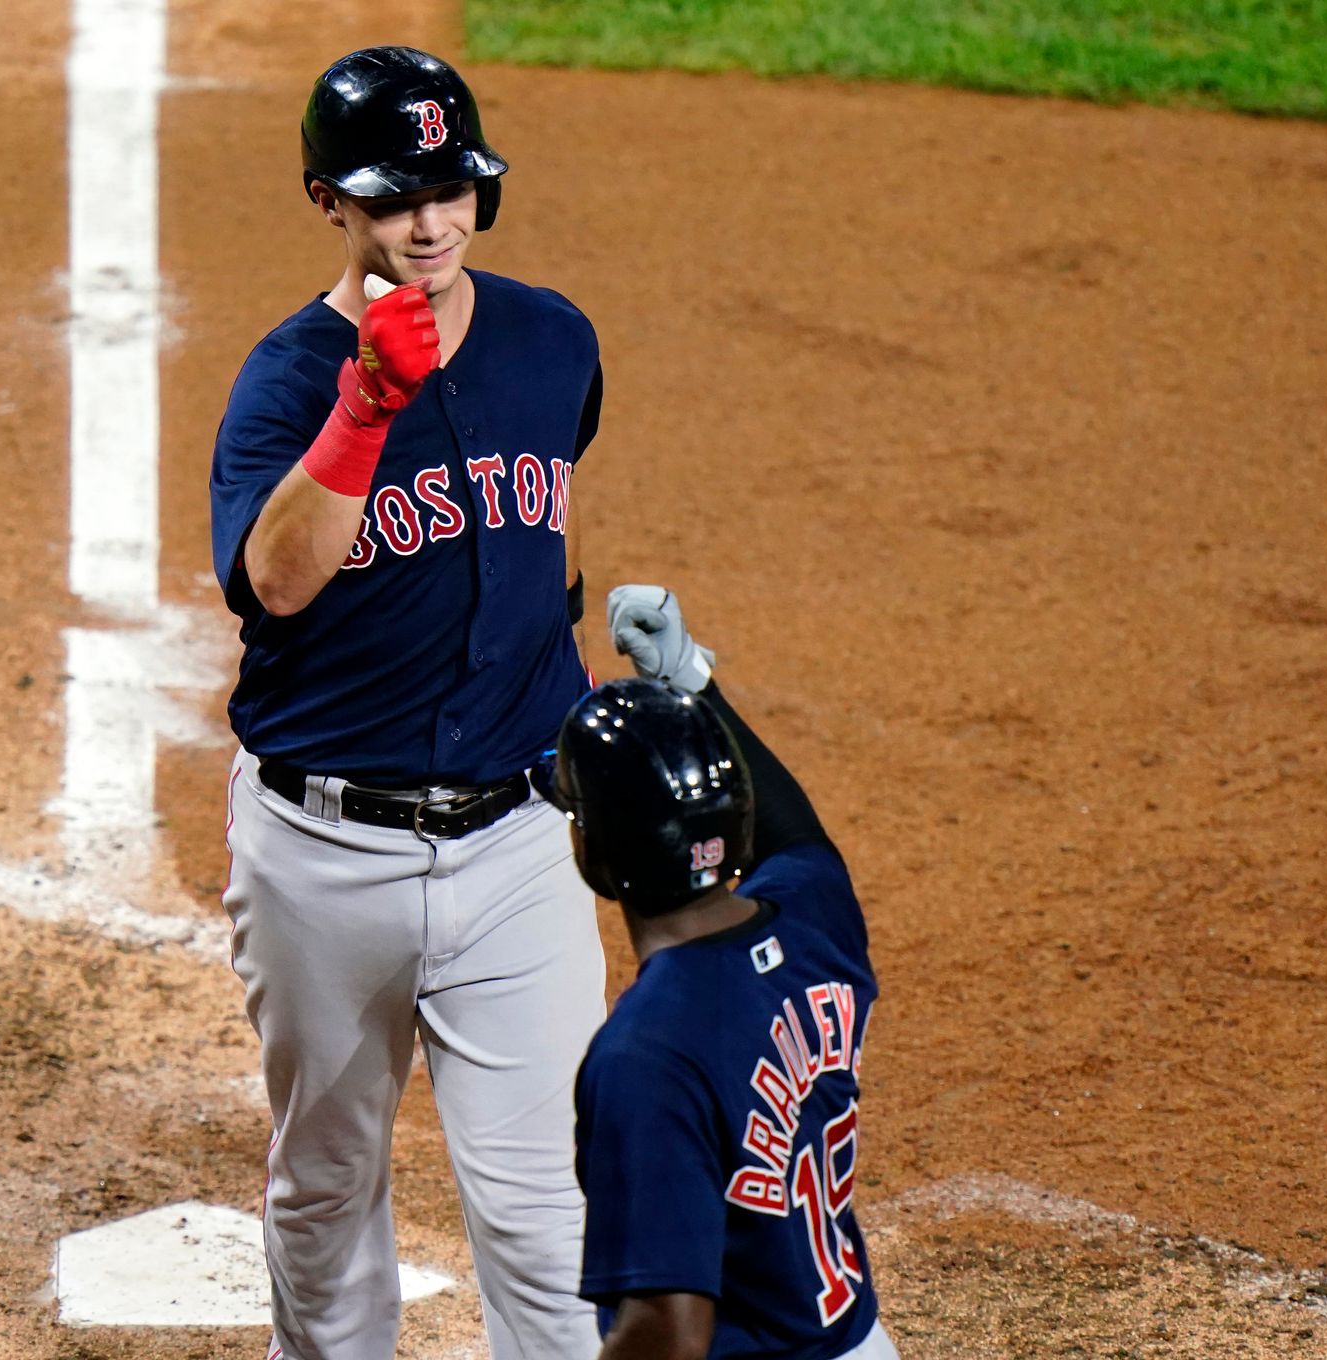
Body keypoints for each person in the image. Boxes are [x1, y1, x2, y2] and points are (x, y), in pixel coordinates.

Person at [207, 45, 607, 1360]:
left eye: (452, 188)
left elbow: (536, 526)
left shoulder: (553, 342)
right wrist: (367, 403)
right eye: (393, 198)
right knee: (325, 1194)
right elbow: (275, 580)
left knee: (556, 1221)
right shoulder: (285, 382)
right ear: (327, 198)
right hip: (325, 858)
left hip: (514, 848)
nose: (429, 224)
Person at [553, 586, 900, 1360]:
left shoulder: (645, 1053)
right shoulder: (814, 917)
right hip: (859, 1339)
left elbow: (668, 1331)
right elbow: (796, 832)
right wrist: (692, 682)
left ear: (599, 859)